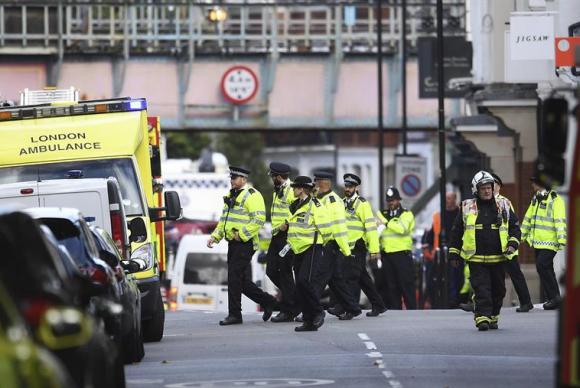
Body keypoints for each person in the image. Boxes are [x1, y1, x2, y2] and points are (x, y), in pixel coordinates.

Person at [449, 171, 521, 331]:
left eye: (489, 187)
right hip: (476, 259)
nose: (487, 191)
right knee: (482, 289)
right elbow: (456, 231)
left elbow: (515, 228)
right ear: (476, 190)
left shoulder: (504, 205)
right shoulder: (466, 207)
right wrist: (454, 252)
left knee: (499, 291)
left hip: (499, 257)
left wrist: (512, 244)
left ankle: (493, 316)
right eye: (483, 188)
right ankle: (481, 317)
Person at [208, 166, 277, 326]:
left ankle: (235, 315)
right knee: (242, 281)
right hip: (233, 243)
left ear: (244, 179)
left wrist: (242, 234)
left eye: (235, 178)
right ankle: (268, 301)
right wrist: (215, 236)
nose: (232, 181)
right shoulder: (230, 195)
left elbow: (259, 220)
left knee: (233, 277)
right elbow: (224, 220)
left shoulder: (252, 195)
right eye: (231, 178)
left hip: (245, 243)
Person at [330, 173, 386, 317]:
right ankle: (378, 305)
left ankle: (350, 308)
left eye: (350, 186)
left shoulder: (362, 204)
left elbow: (371, 228)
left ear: (356, 187)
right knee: (362, 278)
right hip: (345, 246)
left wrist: (374, 250)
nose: (347, 189)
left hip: (358, 246)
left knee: (350, 278)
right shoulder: (341, 203)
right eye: (346, 186)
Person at [313, 171, 362, 320]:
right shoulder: (319, 199)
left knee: (318, 281)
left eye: (317, 182)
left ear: (323, 183)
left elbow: (339, 228)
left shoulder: (334, 201)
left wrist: (346, 250)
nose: (315, 185)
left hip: (331, 246)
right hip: (323, 245)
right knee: (336, 281)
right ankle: (353, 308)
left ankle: (312, 312)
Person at [287, 176, 333, 332]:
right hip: (298, 249)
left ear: (301, 189)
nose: (293, 190)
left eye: (295, 187)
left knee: (304, 281)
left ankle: (318, 311)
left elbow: (326, 227)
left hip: (312, 248)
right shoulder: (296, 205)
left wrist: (321, 243)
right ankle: (308, 320)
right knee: (300, 285)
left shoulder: (315, 205)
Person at [521, 176, 567, 310]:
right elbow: (528, 218)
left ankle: (554, 298)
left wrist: (561, 239)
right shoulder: (536, 199)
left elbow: (559, 220)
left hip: (550, 242)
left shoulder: (555, 199)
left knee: (542, 266)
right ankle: (554, 298)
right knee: (545, 269)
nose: (532, 185)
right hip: (538, 242)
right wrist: (520, 236)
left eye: (534, 183)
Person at [490, 172, 533, 313]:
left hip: (507, 245)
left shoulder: (504, 202)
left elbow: (512, 224)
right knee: (487, 275)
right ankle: (479, 303)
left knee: (515, 274)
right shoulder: (483, 202)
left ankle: (526, 302)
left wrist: (512, 244)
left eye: (493, 184)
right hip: (492, 245)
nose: (491, 187)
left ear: (498, 186)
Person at [265, 162, 300, 322]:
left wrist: (287, 223)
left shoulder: (292, 190)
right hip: (276, 235)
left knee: (285, 273)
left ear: (278, 177)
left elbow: (300, 209)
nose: (272, 179)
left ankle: (288, 310)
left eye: (273, 176)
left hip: (287, 236)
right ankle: (293, 299)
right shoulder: (278, 190)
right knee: (271, 270)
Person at [376, 186, 417, 310]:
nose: (391, 203)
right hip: (387, 255)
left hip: (402, 255)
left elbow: (402, 229)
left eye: (393, 200)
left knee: (406, 285)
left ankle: (412, 312)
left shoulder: (406, 214)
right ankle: (395, 312)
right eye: (389, 201)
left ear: (399, 200)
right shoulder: (382, 214)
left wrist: (387, 222)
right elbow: (376, 232)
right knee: (391, 287)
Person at [423, 192, 462, 308]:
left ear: (455, 199)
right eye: (446, 199)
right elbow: (431, 236)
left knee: (457, 277)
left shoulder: (461, 214)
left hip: (458, 252)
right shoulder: (438, 216)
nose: (447, 201)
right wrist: (428, 248)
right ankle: (440, 300)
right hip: (440, 255)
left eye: (450, 198)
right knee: (435, 280)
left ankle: (456, 300)